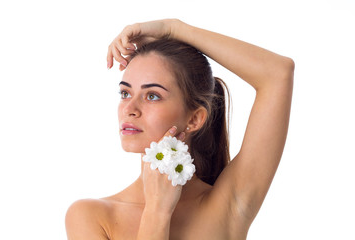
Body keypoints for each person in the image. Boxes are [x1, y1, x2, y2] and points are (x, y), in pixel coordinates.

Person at [65, 19, 294, 240]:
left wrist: (174, 28)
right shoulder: (90, 216)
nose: (129, 109)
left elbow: (278, 73)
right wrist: (156, 213)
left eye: (152, 96)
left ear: (194, 119)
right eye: (125, 93)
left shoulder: (229, 203)